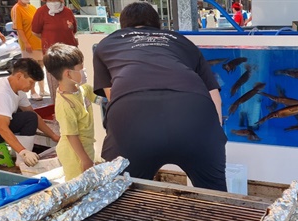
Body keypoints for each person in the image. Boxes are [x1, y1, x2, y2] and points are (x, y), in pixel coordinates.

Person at [93, 2, 227, 191]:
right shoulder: (181, 41)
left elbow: (113, 96)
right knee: (216, 198)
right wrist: (215, 136)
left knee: (119, 194)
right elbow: (215, 97)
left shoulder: (107, 44)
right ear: (158, 25)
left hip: (133, 117)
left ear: (123, 26)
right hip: (195, 115)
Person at [0, 58, 60, 167]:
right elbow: (2, 129)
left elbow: (35, 116)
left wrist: (54, 136)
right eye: (31, 82)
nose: (32, 87)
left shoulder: (17, 89)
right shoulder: (1, 93)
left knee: (30, 116)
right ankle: (23, 159)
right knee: (28, 118)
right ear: (19, 76)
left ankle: (22, 156)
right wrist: (23, 152)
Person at [43, 43, 95, 181]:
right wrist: (85, 159)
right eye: (81, 69)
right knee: (77, 183)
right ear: (68, 73)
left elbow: (98, 96)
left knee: (88, 181)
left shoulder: (80, 89)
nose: (84, 72)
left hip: (86, 146)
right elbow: (72, 135)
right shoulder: (65, 104)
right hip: (75, 153)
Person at [31, 0, 77, 103]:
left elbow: (73, 30)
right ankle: (57, 110)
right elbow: (35, 32)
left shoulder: (68, 11)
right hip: (52, 56)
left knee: (72, 84)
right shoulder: (41, 12)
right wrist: (49, 40)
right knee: (55, 85)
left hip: (70, 54)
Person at [14, 0, 46, 101]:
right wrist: (26, 42)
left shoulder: (31, 7)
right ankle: (33, 91)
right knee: (30, 69)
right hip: (28, 44)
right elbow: (19, 29)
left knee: (41, 66)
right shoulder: (17, 8)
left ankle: (42, 89)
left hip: (38, 42)